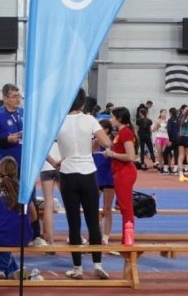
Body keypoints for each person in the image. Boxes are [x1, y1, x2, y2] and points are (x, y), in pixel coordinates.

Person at [49, 89, 112, 280]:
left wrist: (54, 162)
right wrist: (92, 139)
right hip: (88, 173)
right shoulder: (90, 120)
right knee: (93, 221)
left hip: (68, 173)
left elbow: (42, 147)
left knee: (73, 222)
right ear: (83, 103)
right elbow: (107, 142)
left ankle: (77, 268)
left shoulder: (57, 121)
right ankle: (97, 264)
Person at [0, 157, 39, 280]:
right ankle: (14, 270)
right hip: (24, 237)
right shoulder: (25, 190)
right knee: (7, 228)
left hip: (0, 236)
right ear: (16, 172)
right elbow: (34, 216)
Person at [106, 107, 138, 240]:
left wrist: (112, 154)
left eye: (112, 117)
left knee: (126, 208)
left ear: (119, 119)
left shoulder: (125, 133)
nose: (110, 119)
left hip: (124, 173)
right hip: (120, 172)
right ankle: (127, 238)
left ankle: (128, 239)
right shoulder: (120, 133)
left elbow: (131, 156)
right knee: (124, 207)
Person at [0, 83, 23, 168]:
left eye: (18, 96)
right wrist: (7, 140)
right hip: (7, 163)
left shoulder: (23, 112)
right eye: (14, 97)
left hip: (25, 163)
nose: (18, 99)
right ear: (5, 98)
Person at [93, 120, 116, 244]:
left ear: (106, 130)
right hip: (96, 177)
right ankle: (96, 233)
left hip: (108, 177)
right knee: (93, 207)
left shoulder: (111, 143)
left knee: (107, 208)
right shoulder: (94, 143)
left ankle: (106, 236)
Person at [38, 142, 60, 249]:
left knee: (48, 203)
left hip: (46, 166)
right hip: (62, 164)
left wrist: (51, 161)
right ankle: (75, 238)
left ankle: (51, 243)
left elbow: (40, 147)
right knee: (69, 202)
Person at [152, 109, 170, 173]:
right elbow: (153, 130)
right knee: (159, 152)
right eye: (163, 113)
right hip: (159, 137)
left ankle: (166, 165)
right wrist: (156, 125)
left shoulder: (168, 121)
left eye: (165, 113)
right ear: (160, 113)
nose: (164, 114)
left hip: (166, 138)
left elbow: (170, 129)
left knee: (164, 152)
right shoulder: (157, 120)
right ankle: (160, 166)